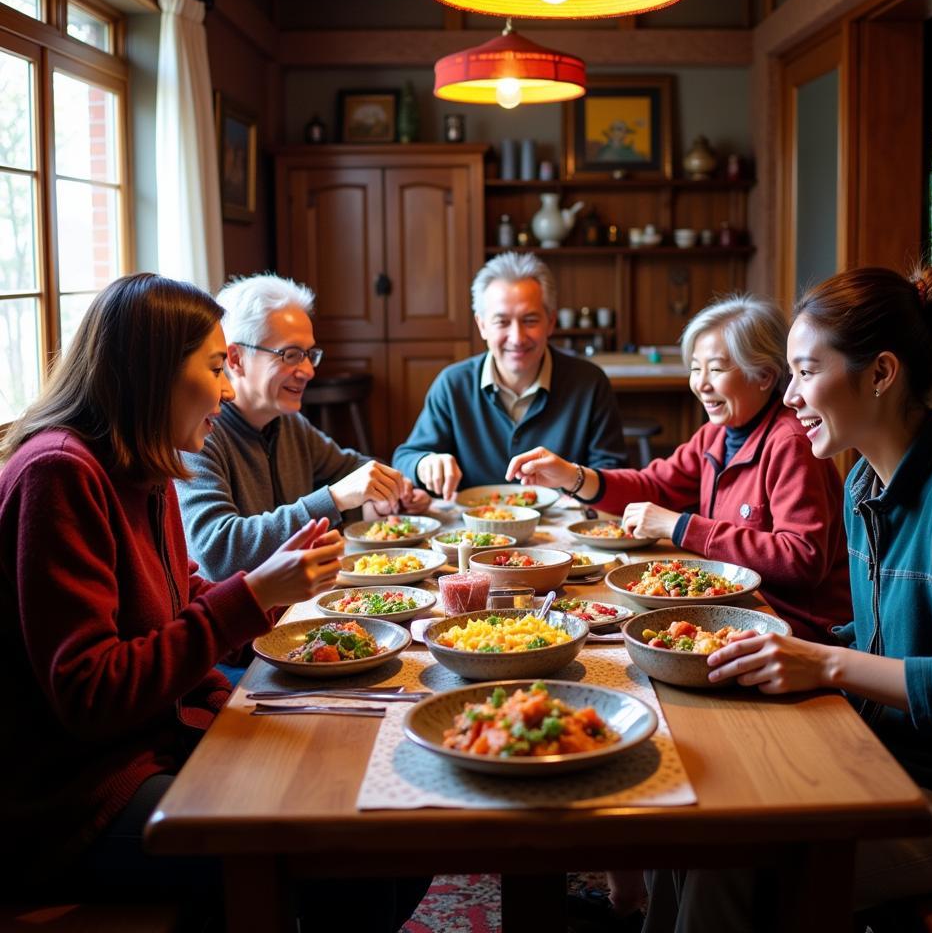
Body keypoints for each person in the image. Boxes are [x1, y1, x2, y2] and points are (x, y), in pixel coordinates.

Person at [0, 274, 429, 928]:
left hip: (158, 741)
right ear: (151, 374)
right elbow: (91, 691)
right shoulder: (57, 474)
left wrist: (274, 608)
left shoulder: (143, 466)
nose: (227, 389)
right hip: (77, 799)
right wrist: (253, 596)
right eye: (213, 367)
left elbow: (180, 600)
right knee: (345, 847)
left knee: (388, 812)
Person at [644, 266, 932, 933]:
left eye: (805, 371)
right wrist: (788, 650)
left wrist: (824, 664)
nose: (788, 396)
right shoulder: (863, 485)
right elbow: (869, 637)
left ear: (880, 374)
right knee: (693, 814)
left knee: (734, 861)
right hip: (889, 756)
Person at [507, 293, 851, 644]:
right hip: (737, 612)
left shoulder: (791, 443)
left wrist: (679, 525)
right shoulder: (715, 435)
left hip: (794, 629)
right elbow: (654, 486)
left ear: (763, 375)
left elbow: (801, 560)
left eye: (715, 369)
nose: (700, 384)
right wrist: (573, 476)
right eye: (695, 368)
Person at [177, 273, 430, 583]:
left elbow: (351, 469)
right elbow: (216, 552)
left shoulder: (287, 424)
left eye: (310, 355)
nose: (308, 371)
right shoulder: (198, 436)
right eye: (291, 355)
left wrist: (394, 488)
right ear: (236, 358)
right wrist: (335, 499)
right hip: (247, 626)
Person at [393, 250, 627, 498]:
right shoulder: (453, 384)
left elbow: (614, 474)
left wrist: (573, 477)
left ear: (551, 322)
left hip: (566, 528)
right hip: (473, 533)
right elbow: (406, 459)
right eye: (502, 322)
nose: (517, 338)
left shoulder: (589, 383)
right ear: (482, 325)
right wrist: (424, 464)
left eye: (530, 320)